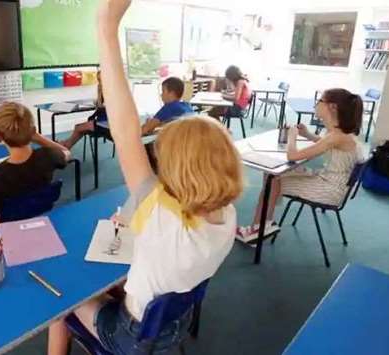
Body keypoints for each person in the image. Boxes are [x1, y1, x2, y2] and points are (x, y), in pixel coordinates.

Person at [47, 1, 244, 354]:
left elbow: (125, 133)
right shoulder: (228, 213)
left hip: (130, 336)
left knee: (61, 305)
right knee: (115, 284)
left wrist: (107, 28)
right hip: (174, 324)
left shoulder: (158, 212)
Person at [237, 88, 364, 239]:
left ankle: (258, 228)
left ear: (332, 107)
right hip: (335, 183)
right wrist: (307, 134)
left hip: (329, 190)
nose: (316, 104)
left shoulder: (335, 136)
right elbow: (326, 144)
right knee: (273, 175)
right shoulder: (340, 133)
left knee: (273, 180)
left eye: (320, 101)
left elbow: (292, 156)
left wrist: (292, 136)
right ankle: (265, 222)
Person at [0, 102, 71, 238]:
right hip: (39, 212)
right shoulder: (48, 156)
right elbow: (65, 152)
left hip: (9, 225)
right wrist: (38, 138)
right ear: (32, 131)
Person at [61, 71, 107, 149]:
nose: (100, 82)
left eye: (101, 79)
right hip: (101, 121)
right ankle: (65, 144)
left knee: (78, 128)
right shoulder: (102, 89)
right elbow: (100, 108)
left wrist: (100, 106)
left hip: (104, 124)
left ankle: (65, 146)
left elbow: (104, 109)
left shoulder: (110, 91)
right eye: (99, 79)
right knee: (79, 128)